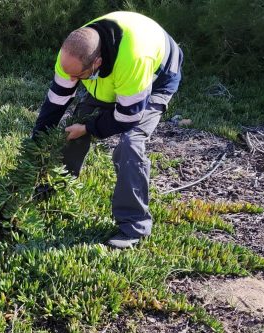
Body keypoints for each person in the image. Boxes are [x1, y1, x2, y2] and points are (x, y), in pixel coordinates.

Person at [32, 11, 183, 249]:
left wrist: (90, 128)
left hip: (156, 79)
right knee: (74, 127)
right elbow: (55, 102)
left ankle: (134, 226)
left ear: (97, 63)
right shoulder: (72, 54)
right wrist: (36, 140)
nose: (71, 79)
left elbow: (126, 117)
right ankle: (54, 186)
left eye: (77, 76)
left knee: (129, 145)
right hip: (115, 73)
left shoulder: (134, 60)